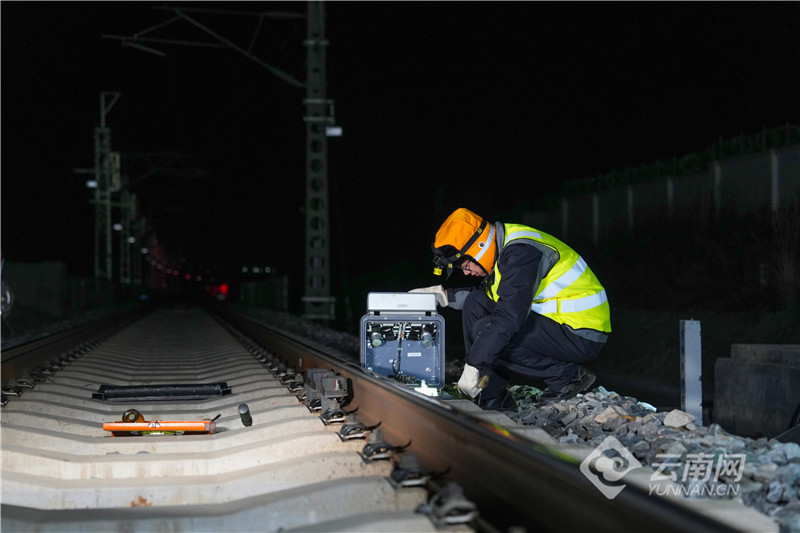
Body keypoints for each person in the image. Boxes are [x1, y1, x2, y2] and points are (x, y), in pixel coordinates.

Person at [412, 208, 611, 408]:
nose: (466, 272)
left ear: (479, 246)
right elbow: (491, 295)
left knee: (489, 331)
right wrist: (444, 296)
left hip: (581, 333)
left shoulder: (520, 253)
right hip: (559, 322)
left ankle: (567, 377)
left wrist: (474, 364)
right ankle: (490, 394)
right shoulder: (505, 246)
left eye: (465, 265)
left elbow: (509, 317)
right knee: (475, 302)